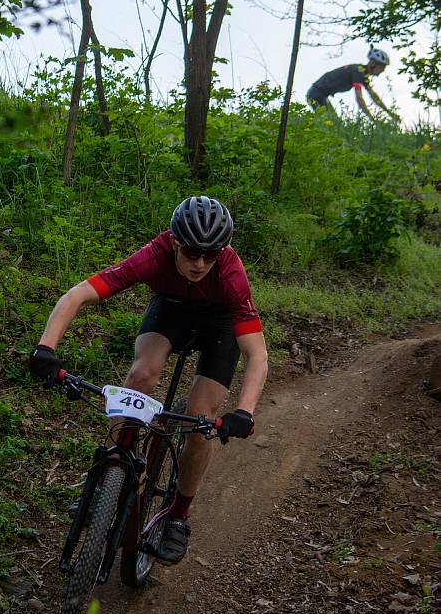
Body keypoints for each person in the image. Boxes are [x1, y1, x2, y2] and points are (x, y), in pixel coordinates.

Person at [29, 196, 268, 566]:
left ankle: (178, 515)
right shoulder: (154, 255)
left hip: (219, 326)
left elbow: (257, 354)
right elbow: (78, 294)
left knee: (200, 415)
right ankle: (113, 463)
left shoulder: (230, 274)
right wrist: (45, 348)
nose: (201, 263)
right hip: (171, 308)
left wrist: (245, 411)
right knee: (142, 373)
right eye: (191, 252)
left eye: (211, 253)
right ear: (175, 242)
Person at [306, 47, 400, 123]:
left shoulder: (362, 73)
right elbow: (359, 98)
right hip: (317, 94)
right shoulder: (358, 71)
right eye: (382, 66)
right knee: (332, 124)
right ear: (373, 63)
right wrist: (372, 119)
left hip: (320, 94)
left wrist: (390, 113)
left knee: (335, 124)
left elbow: (374, 97)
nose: (383, 70)